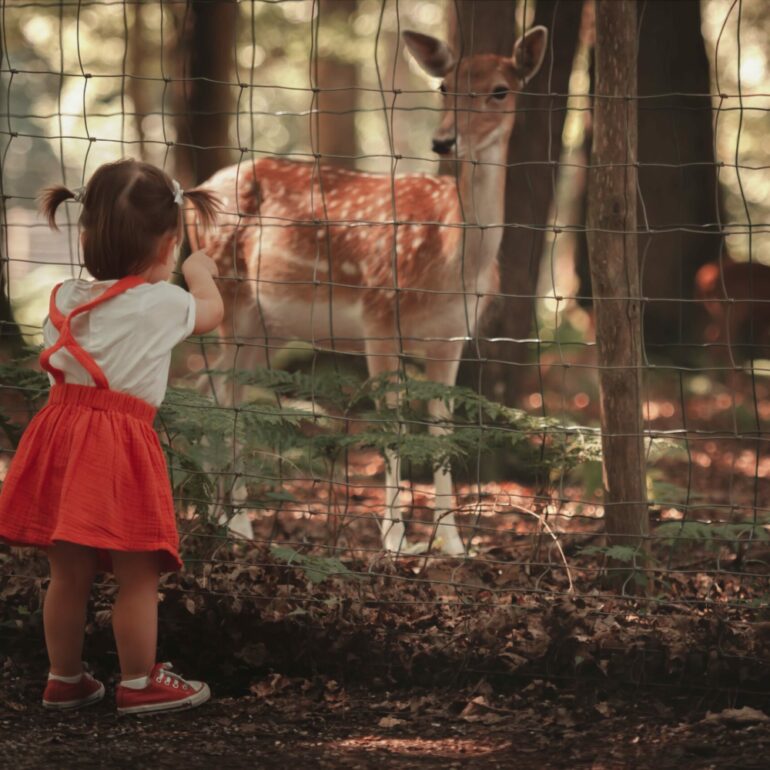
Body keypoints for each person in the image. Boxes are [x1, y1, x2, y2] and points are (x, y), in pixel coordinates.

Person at [0, 159, 224, 715]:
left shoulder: (63, 299)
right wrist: (201, 275)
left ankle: (65, 678)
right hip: (118, 444)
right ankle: (138, 682)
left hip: (59, 434)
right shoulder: (164, 303)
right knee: (138, 571)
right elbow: (210, 313)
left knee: (67, 570)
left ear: (87, 234)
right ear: (167, 244)